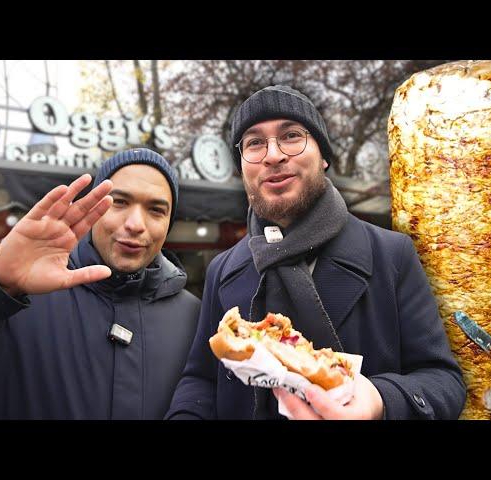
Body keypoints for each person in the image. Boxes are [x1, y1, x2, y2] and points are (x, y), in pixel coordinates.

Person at [166, 85, 466, 420]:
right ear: (242, 169)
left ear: (323, 157)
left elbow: (444, 380)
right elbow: (201, 380)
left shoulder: (392, 254)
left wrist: (380, 400)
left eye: (291, 136)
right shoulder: (222, 268)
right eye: (254, 143)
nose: (273, 155)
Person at [0, 148, 200, 419]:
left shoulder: (196, 317)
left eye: (156, 210)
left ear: (169, 222)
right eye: (120, 202)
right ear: (94, 209)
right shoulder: (18, 295)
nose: (136, 223)